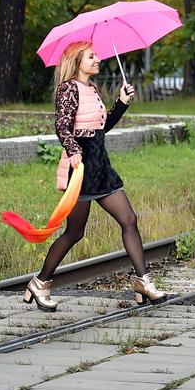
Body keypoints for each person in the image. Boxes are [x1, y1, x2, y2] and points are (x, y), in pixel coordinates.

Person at [22, 41, 170, 312]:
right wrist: (74, 151)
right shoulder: (68, 88)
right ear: (77, 62)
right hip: (80, 168)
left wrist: (121, 104)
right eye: (91, 56)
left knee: (129, 220)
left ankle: (143, 282)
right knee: (74, 233)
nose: (98, 59)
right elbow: (62, 126)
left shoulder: (91, 88)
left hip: (101, 167)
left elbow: (101, 129)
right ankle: (40, 282)